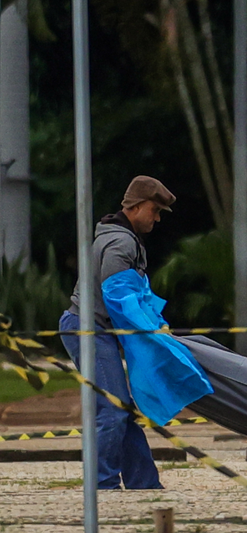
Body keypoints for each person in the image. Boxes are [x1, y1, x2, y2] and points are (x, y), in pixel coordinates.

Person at [59, 175, 176, 490]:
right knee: (112, 410)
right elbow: (119, 298)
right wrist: (150, 333)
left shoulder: (123, 238)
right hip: (88, 328)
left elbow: (133, 298)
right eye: (154, 210)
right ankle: (102, 486)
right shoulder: (120, 242)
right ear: (136, 206)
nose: (156, 218)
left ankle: (144, 484)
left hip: (94, 328)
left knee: (121, 408)